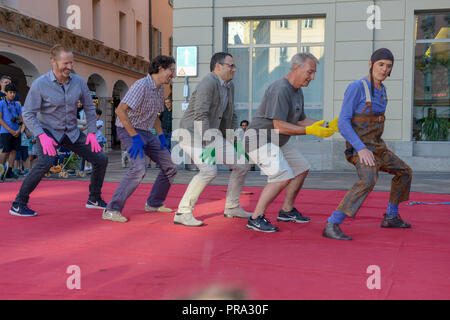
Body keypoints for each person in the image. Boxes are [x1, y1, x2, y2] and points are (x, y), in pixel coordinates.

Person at [323, 48, 412, 241]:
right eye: (381, 64)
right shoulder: (356, 87)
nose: (384, 69)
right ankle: (332, 223)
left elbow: (374, 124)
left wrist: (380, 146)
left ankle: (391, 216)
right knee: (368, 179)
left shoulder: (383, 91)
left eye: (388, 66)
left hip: (378, 147)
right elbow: (343, 122)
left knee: (404, 171)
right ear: (371, 64)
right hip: (359, 148)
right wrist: (361, 148)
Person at [9, 44, 108, 217]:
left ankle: (94, 198)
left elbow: (90, 108)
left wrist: (92, 131)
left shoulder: (79, 83)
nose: (69, 67)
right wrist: (40, 135)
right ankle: (18, 203)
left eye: (71, 63)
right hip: (48, 131)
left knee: (101, 159)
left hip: (71, 132)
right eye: (65, 63)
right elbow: (28, 113)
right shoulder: (40, 84)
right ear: (53, 61)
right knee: (45, 162)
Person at [245, 52, 337, 232]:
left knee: (301, 168)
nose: (313, 77)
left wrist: (328, 125)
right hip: (259, 139)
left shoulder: (297, 91)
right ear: (296, 68)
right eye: (310, 72)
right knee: (282, 175)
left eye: (314, 73)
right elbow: (279, 125)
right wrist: (311, 131)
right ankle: (255, 218)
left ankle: (286, 211)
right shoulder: (280, 89)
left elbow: (301, 120)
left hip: (276, 141)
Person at [174, 52, 251, 227]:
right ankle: (182, 212)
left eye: (234, 66)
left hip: (211, 133)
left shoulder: (229, 86)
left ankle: (232, 207)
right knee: (209, 170)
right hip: (191, 134)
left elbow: (231, 115)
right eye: (231, 65)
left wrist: (234, 141)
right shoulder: (208, 83)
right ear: (218, 66)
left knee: (242, 164)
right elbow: (200, 115)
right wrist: (208, 144)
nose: (234, 69)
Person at [102, 55, 177, 223]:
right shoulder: (141, 86)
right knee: (139, 169)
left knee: (170, 166)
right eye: (171, 70)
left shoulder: (159, 89)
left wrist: (161, 137)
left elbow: (155, 116)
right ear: (160, 69)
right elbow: (120, 111)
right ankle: (112, 209)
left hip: (147, 131)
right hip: (128, 130)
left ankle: (154, 203)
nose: (173, 74)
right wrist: (134, 137)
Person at [0, 83, 23, 180]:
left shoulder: (16, 105)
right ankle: (1, 171)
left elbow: (21, 120)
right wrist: (10, 130)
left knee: (14, 151)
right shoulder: (1, 103)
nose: (12, 94)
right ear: (6, 93)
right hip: (6, 131)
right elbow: (0, 119)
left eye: (14, 93)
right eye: (10, 93)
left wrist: (18, 130)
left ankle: (9, 171)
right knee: (5, 151)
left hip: (16, 132)